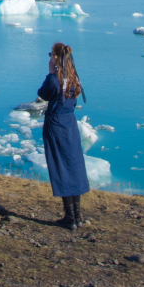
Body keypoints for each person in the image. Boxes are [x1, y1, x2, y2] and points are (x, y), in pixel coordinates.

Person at [38, 41, 90, 228]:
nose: (50, 58)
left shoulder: (54, 80)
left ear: (57, 58)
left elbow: (43, 94)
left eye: (51, 55)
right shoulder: (74, 79)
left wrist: (51, 72)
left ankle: (69, 218)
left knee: (61, 166)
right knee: (73, 165)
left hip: (56, 124)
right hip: (70, 125)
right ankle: (77, 216)